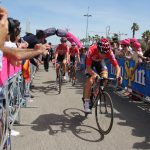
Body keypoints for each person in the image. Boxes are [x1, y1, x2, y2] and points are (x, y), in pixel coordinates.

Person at [83, 38, 121, 113]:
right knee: (90, 80)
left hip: (100, 62)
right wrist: (94, 74)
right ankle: (86, 103)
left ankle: (96, 94)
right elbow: (88, 68)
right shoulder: (91, 50)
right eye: (102, 53)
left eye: (105, 53)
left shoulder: (109, 52)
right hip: (90, 63)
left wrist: (117, 76)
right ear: (98, 49)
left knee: (105, 78)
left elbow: (117, 67)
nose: (104, 55)